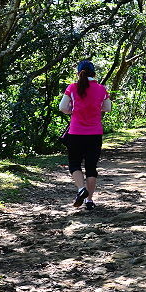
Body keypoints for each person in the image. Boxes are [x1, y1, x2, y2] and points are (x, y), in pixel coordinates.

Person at [59, 60, 112, 209]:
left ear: (78, 72)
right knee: (91, 167)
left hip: (75, 133)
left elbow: (62, 107)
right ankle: (89, 201)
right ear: (94, 73)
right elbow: (107, 108)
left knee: (74, 163)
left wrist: (72, 110)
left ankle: (81, 189)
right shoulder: (102, 89)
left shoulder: (72, 87)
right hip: (95, 134)